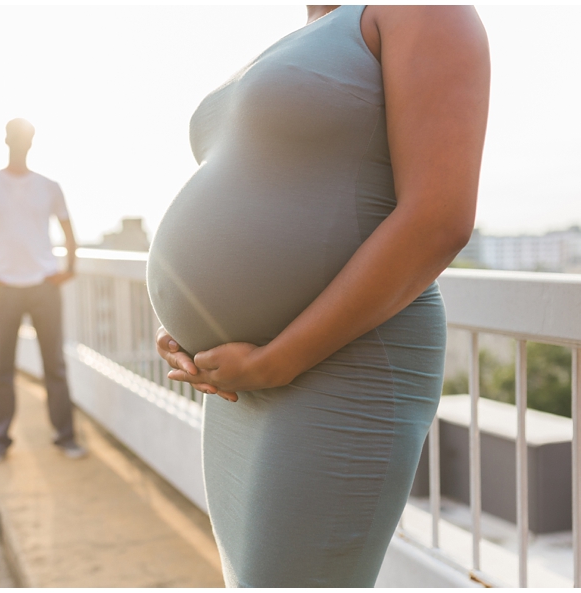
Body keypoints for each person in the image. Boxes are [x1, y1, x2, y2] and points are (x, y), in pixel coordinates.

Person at [147, 5, 489, 587]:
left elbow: (439, 218)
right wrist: (188, 322)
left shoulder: (421, 10)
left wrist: (279, 360)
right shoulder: (301, 38)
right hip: (243, 384)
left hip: (341, 365)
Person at [0, 118, 87, 465]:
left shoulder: (49, 187)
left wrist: (69, 269)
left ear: (32, 142)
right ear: (6, 139)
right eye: (16, 136)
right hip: (3, 287)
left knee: (55, 367)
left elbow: (68, 231)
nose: (21, 142)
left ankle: (66, 438)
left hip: (44, 286)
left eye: (26, 137)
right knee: (1, 369)